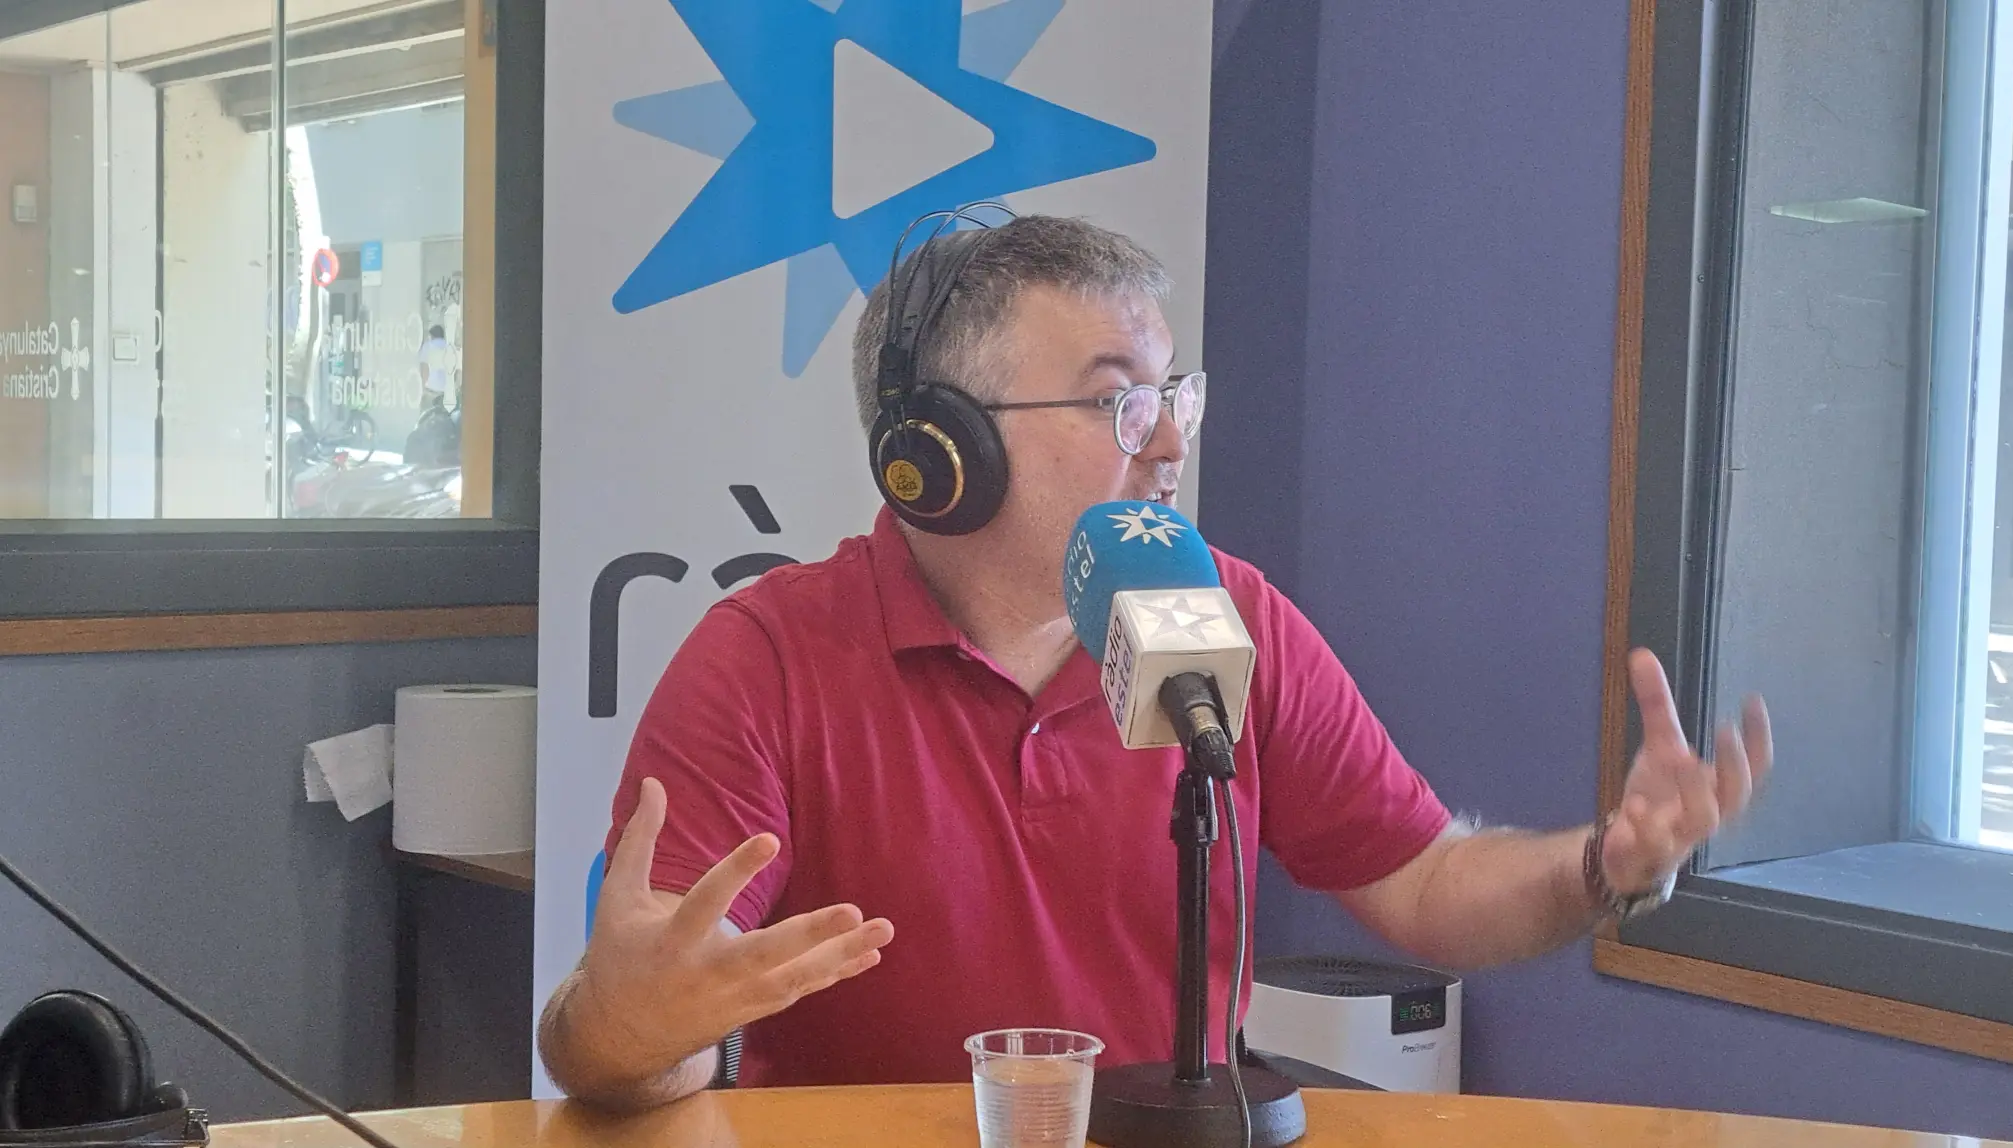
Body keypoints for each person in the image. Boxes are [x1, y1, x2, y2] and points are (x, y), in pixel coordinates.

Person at [535, 215, 1773, 1109]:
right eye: (1117, 399)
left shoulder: (1213, 614)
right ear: (941, 451)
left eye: (1175, 391)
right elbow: (625, 1032)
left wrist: (1600, 863)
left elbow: (1428, 884)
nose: (1171, 440)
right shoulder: (766, 659)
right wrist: (632, 1029)